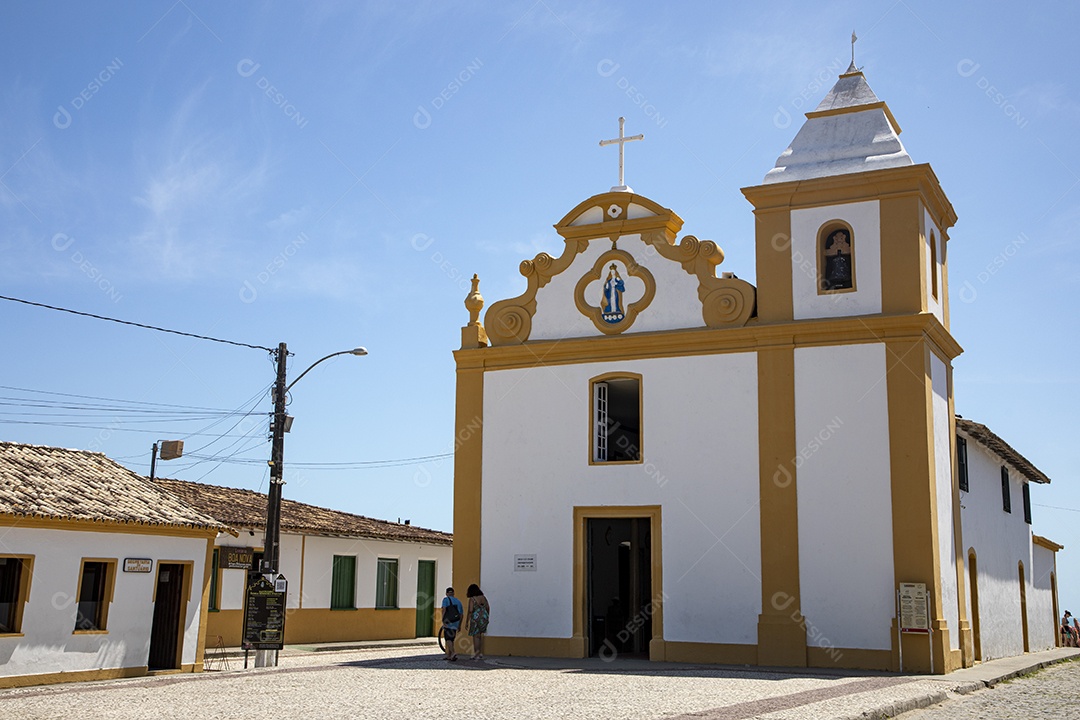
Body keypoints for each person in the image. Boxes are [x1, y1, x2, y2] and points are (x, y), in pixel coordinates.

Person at [466, 583, 490, 660]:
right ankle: (480, 653)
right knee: (480, 635)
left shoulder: (472, 599)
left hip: (475, 618)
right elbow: (488, 607)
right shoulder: (484, 597)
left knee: (475, 636)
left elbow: (470, 610)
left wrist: (467, 621)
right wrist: (486, 617)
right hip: (484, 617)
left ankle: (476, 653)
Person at [441, 587, 463, 661]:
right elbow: (461, 614)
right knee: (452, 639)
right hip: (456, 622)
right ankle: (449, 655)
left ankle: (453, 652)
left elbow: (444, 609)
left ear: (447, 593)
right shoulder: (458, 601)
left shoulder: (445, 600)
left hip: (448, 622)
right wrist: (459, 625)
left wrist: (442, 619)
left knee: (448, 639)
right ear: (453, 593)